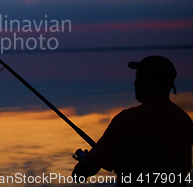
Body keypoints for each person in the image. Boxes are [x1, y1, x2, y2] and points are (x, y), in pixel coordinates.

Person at [72, 56, 193, 186]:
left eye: (138, 77)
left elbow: (81, 173)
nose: (135, 82)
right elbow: (184, 166)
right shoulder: (184, 120)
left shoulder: (126, 120)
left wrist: (84, 163)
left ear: (148, 82)